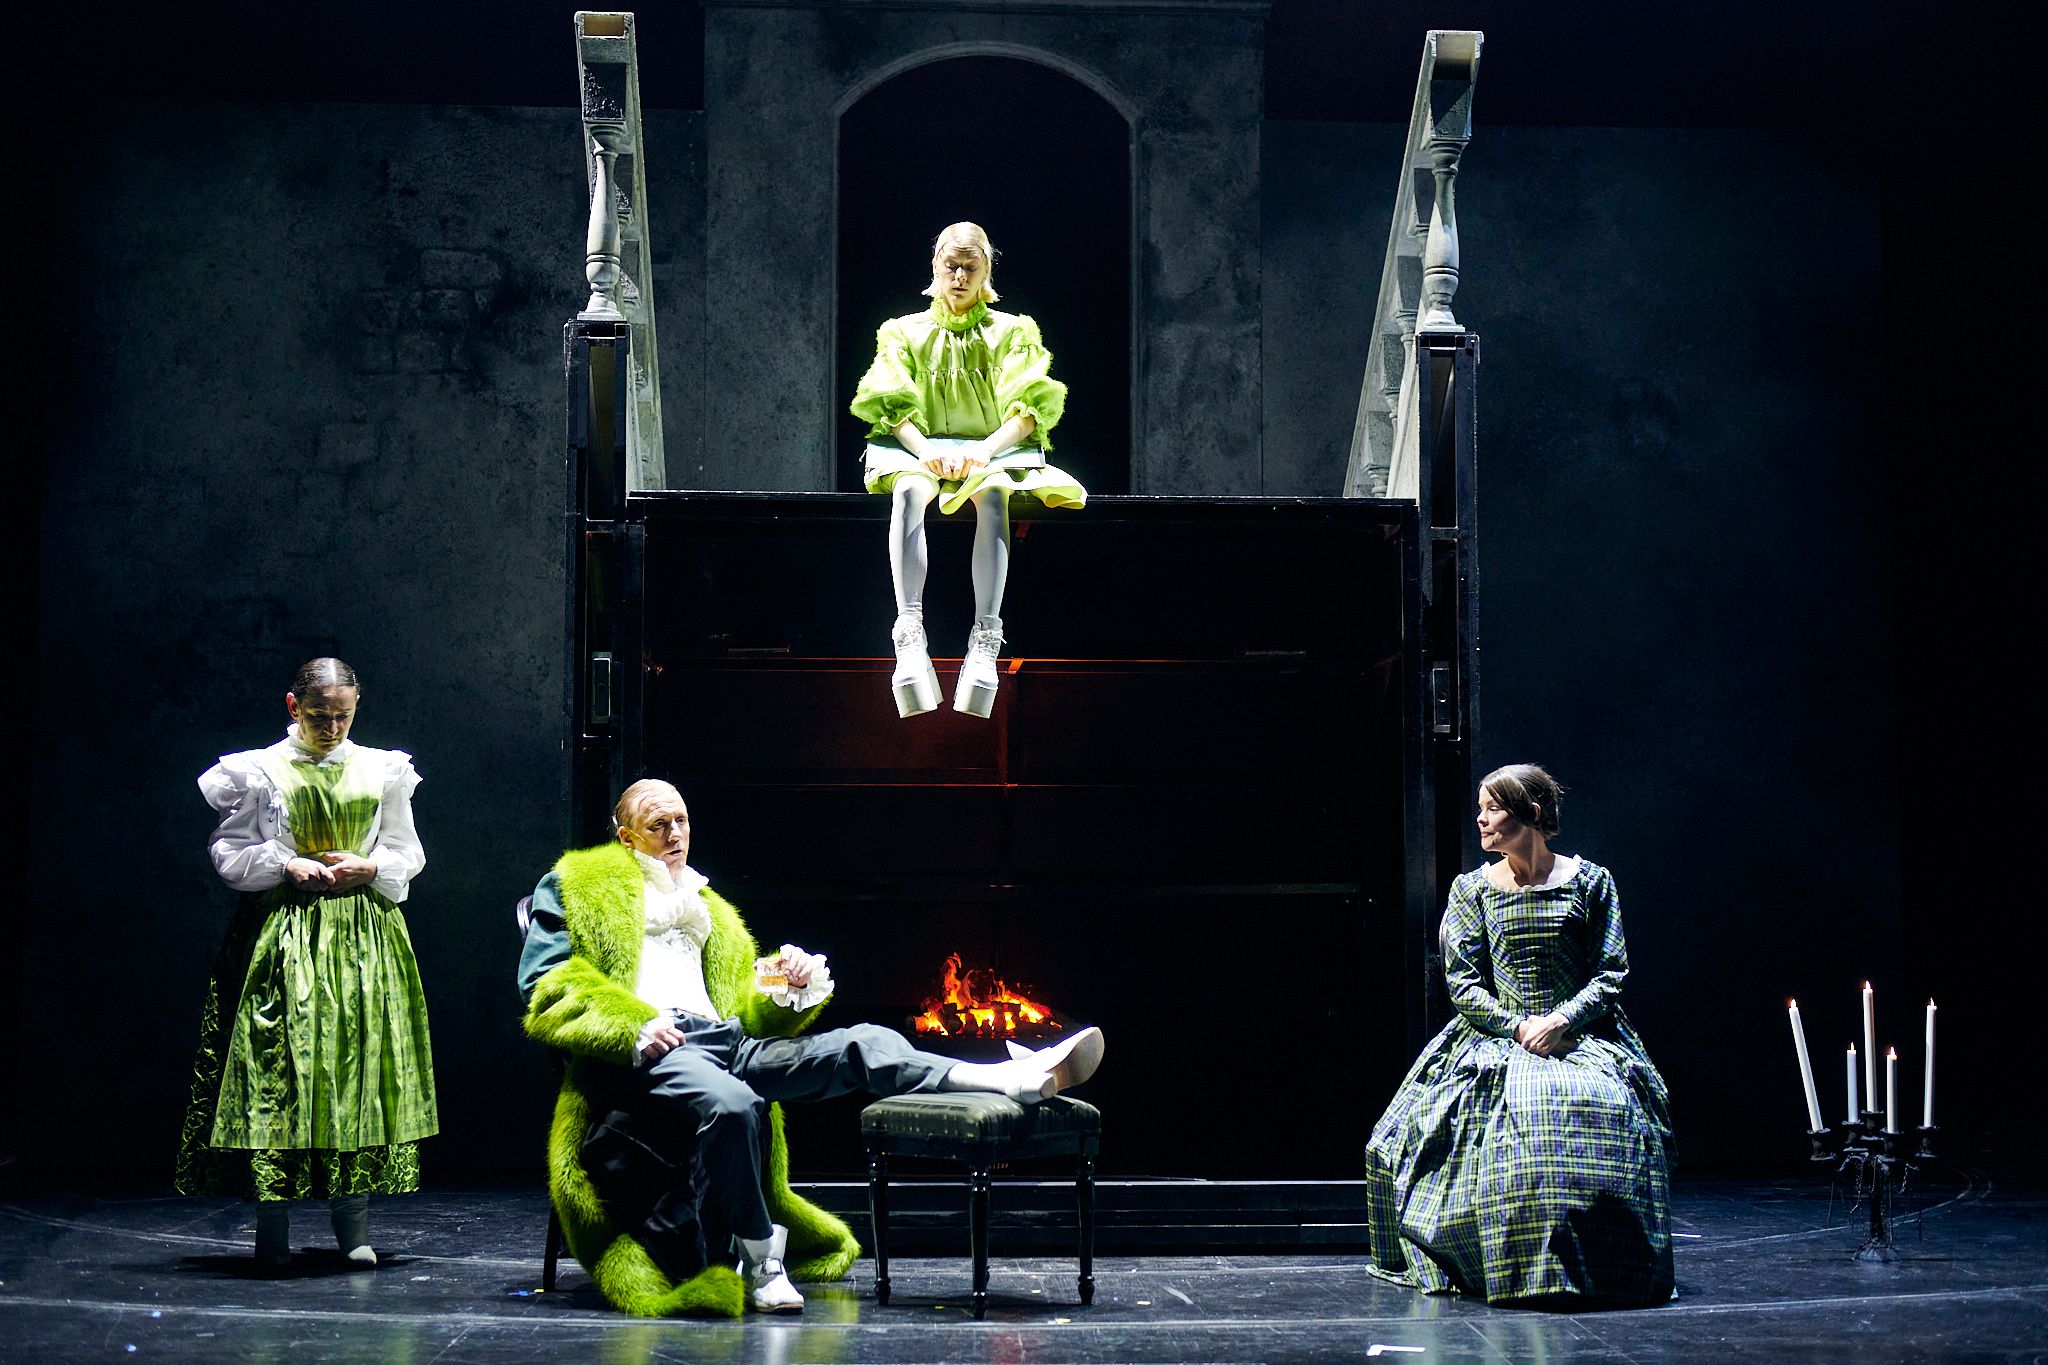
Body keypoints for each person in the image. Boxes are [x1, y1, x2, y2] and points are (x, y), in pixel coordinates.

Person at [518, 778, 1104, 1317]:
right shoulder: (580, 886)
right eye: (658, 825)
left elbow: (745, 1009)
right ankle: (762, 1261)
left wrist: (784, 985)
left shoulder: (708, 907)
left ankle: (1009, 1078)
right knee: (735, 1105)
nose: (676, 834)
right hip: (659, 1048)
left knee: (864, 1042)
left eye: (682, 821)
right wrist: (631, 1026)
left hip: (728, 1041)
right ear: (626, 837)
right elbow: (547, 982)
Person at [1362, 764, 1674, 1304]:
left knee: (1598, 1110)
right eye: (1479, 809)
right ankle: (1502, 1263)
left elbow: (1610, 972)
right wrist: (1518, 1024)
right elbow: (1462, 983)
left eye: (1492, 808)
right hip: (1496, 1035)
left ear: (1530, 813)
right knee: (1434, 1134)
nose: (1481, 820)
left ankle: (1600, 1267)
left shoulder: (1590, 882)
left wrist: (1562, 1020)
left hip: (1580, 1034)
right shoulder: (1474, 890)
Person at [176, 657, 437, 1270]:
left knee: (357, 1069)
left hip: (362, 937)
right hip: (282, 932)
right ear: (294, 707)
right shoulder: (257, 770)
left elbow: (407, 850)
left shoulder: (383, 769)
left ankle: (353, 1225)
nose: (332, 727)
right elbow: (229, 850)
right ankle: (272, 1228)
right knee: (278, 1072)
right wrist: (284, 863)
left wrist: (372, 866)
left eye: (343, 716)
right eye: (320, 716)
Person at [850, 221, 1087, 720]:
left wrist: (984, 451)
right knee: (910, 492)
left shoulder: (1013, 331)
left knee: (993, 495)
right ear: (935, 266)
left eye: (970, 267)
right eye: (951, 266)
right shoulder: (903, 331)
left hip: (992, 450)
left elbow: (1032, 408)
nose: (959, 276)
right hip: (918, 449)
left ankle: (986, 638)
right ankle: (909, 633)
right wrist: (925, 450)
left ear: (986, 271)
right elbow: (889, 404)